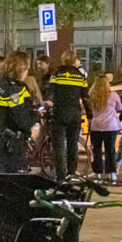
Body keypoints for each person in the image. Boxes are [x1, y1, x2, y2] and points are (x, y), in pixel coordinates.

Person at [45, 50, 93, 179]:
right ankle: (71, 174)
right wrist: (90, 115)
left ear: (63, 60)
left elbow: (50, 91)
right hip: (74, 114)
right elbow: (86, 98)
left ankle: (60, 176)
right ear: (74, 61)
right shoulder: (80, 76)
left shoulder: (57, 74)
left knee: (59, 146)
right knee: (73, 145)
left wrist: (48, 104)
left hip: (59, 113)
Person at [0, 51, 37, 172]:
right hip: (12, 144)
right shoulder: (15, 90)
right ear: (21, 68)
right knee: (15, 184)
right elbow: (22, 121)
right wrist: (36, 115)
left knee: (4, 182)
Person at [88, 75, 122, 184]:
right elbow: (120, 107)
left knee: (96, 150)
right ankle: (111, 173)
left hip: (96, 126)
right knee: (110, 150)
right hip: (111, 126)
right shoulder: (113, 95)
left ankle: (97, 172)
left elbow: (89, 110)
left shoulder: (91, 95)